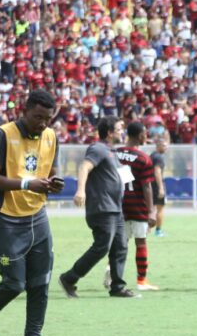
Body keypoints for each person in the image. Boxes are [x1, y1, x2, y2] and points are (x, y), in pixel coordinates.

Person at [0, 89, 64, 336]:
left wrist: (53, 184)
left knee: (40, 283)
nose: (43, 123)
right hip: (6, 220)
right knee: (13, 283)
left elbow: (48, 173)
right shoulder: (3, 135)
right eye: (38, 117)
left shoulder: (50, 136)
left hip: (37, 218)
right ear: (25, 111)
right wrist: (27, 183)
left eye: (48, 118)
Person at [59, 116, 138, 299]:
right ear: (109, 132)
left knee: (120, 246)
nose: (122, 132)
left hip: (115, 209)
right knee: (102, 246)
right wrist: (80, 191)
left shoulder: (111, 151)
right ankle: (69, 278)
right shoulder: (98, 149)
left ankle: (117, 286)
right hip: (103, 208)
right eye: (119, 129)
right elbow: (84, 167)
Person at [115, 121, 159, 291]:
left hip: (120, 204)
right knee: (141, 242)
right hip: (138, 205)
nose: (146, 135)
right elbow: (147, 186)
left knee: (121, 243)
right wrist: (151, 211)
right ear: (139, 135)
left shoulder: (116, 153)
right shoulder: (143, 158)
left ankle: (112, 271)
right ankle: (142, 281)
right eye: (145, 133)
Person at [150, 137, 168, 237]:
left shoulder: (152, 155)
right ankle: (158, 231)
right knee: (160, 209)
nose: (166, 148)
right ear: (158, 146)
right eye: (164, 146)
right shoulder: (158, 157)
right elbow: (157, 172)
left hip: (149, 185)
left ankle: (147, 229)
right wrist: (161, 187)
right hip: (156, 186)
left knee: (150, 208)